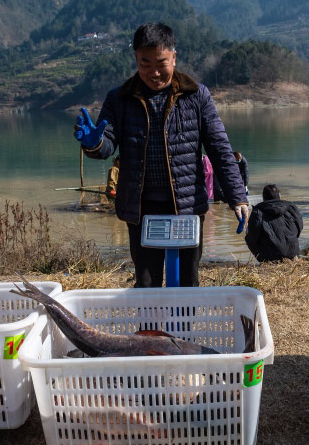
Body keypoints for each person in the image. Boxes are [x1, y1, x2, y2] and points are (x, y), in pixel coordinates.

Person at [74, 22, 248, 288]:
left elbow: (220, 149)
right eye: (145, 63)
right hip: (141, 209)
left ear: (174, 57)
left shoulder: (196, 96)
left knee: (188, 282)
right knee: (146, 283)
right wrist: (94, 144)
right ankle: (149, 330)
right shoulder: (119, 99)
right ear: (135, 59)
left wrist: (238, 197)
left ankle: (184, 331)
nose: (154, 72)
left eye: (161, 63)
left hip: (187, 207)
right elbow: (107, 144)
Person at [245, 184, 303, 262]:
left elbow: (252, 238)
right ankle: (291, 255)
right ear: (279, 196)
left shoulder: (258, 211)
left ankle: (265, 261)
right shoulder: (291, 207)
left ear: (263, 198)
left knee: (248, 235)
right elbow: (300, 227)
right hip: (293, 253)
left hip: (272, 258)